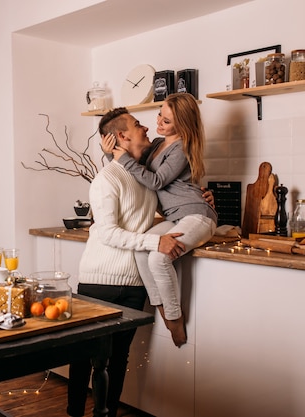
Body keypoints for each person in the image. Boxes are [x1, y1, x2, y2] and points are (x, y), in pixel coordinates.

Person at [67, 107, 186, 417]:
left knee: (117, 360)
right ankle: (74, 413)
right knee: (83, 357)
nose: (146, 127)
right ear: (121, 136)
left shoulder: (144, 177)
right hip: (99, 282)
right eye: (137, 124)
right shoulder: (106, 179)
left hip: (134, 285)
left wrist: (202, 198)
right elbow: (106, 232)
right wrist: (154, 241)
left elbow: (149, 214)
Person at [101, 93, 217, 347]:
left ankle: (173, 317)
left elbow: (156, 181)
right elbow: (129, 165)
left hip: (197, 215)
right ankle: (162, 307)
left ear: (183, 125)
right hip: (174, 218)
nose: (159, 123)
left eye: (167, 121)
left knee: (159, 256)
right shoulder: (155, 145)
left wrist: (121, 159)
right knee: (145, 248)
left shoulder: (182, 147)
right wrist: (110, 153)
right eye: (160, 116)